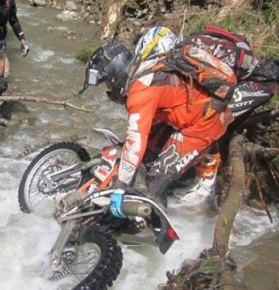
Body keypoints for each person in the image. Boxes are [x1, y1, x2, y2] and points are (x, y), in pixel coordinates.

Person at [80, 29, 234, 214]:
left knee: (156, 183)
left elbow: (136, 140)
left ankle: (156, 223)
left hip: (203, 124)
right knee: (146, 157)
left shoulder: (140, 91)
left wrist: (120, 188)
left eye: (107, 82)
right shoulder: (143, 68)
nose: (109, 88)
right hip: (191, 113)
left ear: (114, 75)